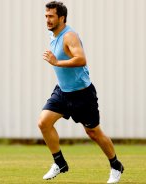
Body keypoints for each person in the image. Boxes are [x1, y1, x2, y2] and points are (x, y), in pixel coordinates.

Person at [38, 1, 124, 183]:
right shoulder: (53, 35)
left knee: (94, 133)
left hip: (82, 95)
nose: (47, 19)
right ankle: (59, 163)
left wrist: (56, 62)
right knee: (44, 123)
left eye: (51, 16)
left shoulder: (69, 36)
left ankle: (116, 165)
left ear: (61, 18)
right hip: (62, 91)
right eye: (46, 16)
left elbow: (81, 59)